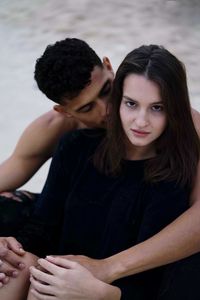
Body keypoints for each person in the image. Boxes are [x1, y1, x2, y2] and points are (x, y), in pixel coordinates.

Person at [0, 38, 200, 296]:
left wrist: (105, 274)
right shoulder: (66, 136)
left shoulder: (185, 136)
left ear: (109, 67)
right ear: (65, 111)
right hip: (85, 227)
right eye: (86, 107)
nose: (107, 110)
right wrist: (10, 250)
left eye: (107, 91)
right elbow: (39, 214)